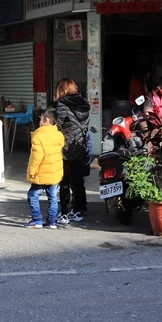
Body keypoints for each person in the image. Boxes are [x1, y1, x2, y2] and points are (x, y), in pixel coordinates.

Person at [54, 77, 91, 224]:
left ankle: (64, 212)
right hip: (80, 145)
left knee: (64, 181)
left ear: (62, 90)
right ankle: (79, 209)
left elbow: (57, 125)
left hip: (66, 148)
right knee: (77, 179)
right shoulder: (84, 104)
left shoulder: (61, 105)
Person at [25, 109, 65, 228]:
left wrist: (32, 171)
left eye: (40, 118)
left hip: (41, 173)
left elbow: (37, 157)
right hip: (54, 174)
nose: (39, 120)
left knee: (32, 195)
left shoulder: (39, 135)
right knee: (53, 198)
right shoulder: (59, 135)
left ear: (46, 120)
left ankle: (36, 220)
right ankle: (52, 221)